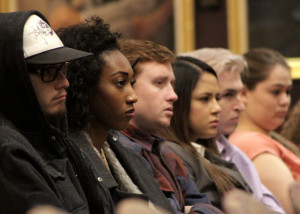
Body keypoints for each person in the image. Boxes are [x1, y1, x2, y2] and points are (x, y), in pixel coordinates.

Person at [57, 17, 175, 213]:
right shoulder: (65, 160)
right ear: (85, 86)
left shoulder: (127, 154)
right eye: (120, 83)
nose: (133, 96)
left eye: (132, 83)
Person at [0, 10, 95, 214]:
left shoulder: (47, 133)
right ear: (14, 77)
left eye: (64, 69)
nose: (65, 82)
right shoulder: (8, 150)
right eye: (49, 72)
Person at [115, 39, 224, 214]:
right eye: (159, 83)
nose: (173, 96)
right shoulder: (115, 151)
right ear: (127, 85)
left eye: (172, 85)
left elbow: (208, 207)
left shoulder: (167, 155)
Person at [183, 48, 285, 214]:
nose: (241, 106)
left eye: (240, 94)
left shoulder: (232, 151)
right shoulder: (177, 156)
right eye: (228, 95)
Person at [158, 56, 255, 210]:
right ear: (178, 101)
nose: (217, 108)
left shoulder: (204, 152)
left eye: (217, 98)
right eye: (205, 99)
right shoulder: (170, 153)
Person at [228, 48, 300, 214]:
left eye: (288, 92)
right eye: (276, 92)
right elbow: (291, 209)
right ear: (244, 93)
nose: (285, 101)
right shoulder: (252, 143)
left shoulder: (265, 138)